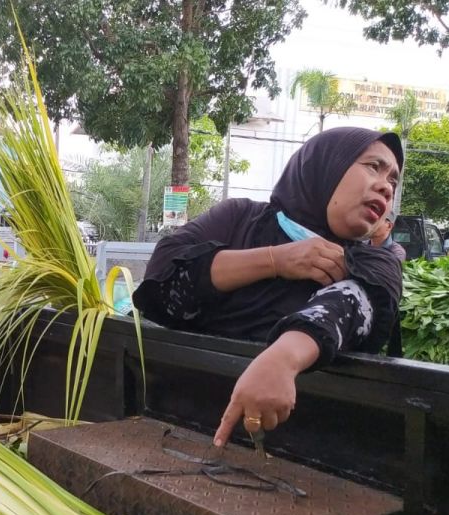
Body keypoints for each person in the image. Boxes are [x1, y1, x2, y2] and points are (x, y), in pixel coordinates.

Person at [132, 127, 404, 447]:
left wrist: (284, 359)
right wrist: (276, 260)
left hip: (300, 445)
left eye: (393, 181)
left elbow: (351, 304)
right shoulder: (240, 218)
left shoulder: (376, 262)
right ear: (326, 164)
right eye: (374, 167)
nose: (386, 187)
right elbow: (164, 274)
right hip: (179, 420)